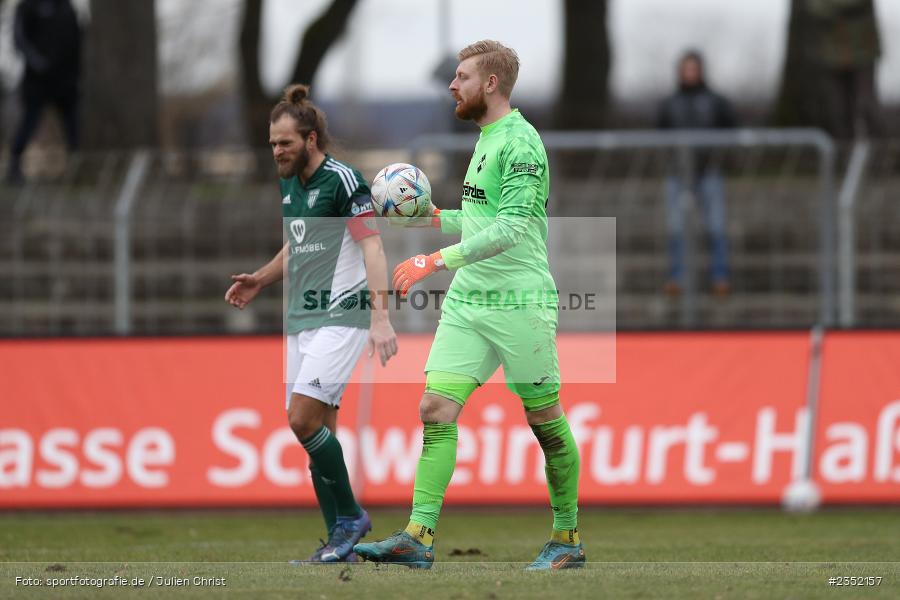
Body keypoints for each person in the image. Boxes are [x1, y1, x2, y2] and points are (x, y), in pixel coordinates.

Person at [354, 40, 584, 571]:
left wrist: (432, 260)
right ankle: (418, 536)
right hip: (469, 303)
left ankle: (567, 537)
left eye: (461, 77)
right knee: (436, 409)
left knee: (545, 421)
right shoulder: (485, 139)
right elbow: (484, 217)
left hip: (519, 302)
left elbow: (512, 227)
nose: (452, 86)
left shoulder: (521, 143)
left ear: (491, 84)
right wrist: (434, 216)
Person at [225, 84, 397, 563]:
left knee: (301, 419)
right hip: (300, 317)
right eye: (272, 143)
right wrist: (260, 279)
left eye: (285, 143)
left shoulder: (344, 181)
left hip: (343, 314)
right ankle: (339, 543)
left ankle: (351, 518)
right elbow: (296, 245)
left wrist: (380, 317)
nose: (276, 151)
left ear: (311, 138)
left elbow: (373, 248)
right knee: (317, 433)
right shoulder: (289, 182)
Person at [657, 50, 736, 297]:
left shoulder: (716, 102)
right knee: (677, 227)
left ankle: (720, 277)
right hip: (679, 174)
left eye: (694, 68)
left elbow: (730, 130)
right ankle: (677, 278)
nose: (690, 73)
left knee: (716, 225)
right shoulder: (669, 103)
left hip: (709, 171)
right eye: (686, 69)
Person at [7, 0, 81, 183]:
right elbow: (19, 39)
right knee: (29, 122)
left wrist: (75, 72)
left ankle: (77, 167)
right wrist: (38, 63)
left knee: (73, 126)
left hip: (65, 80)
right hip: (37, 82)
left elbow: (77, 38)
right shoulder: (27, 7)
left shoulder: (66, 7)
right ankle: (14, 167)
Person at [806, 0, 881, 139]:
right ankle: (845, 151)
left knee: (866, 105)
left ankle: (878, 149)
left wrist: (833, 6)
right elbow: (816, 8)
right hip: (831, 54)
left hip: (863, 51)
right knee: (838, 109)